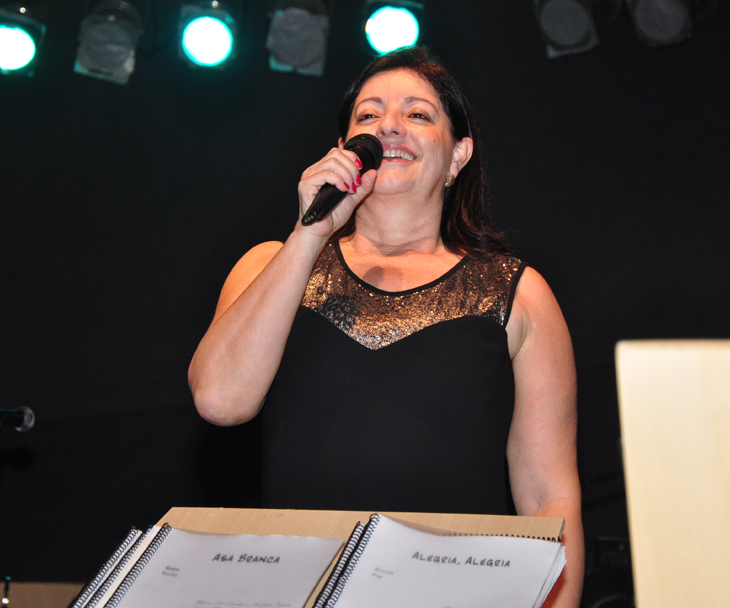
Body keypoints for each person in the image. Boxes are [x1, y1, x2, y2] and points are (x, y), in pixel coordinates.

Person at [189, 47, 583, 608]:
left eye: (418, 114)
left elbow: (549, 497)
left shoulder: (518, 293)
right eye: (369, 115)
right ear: (344, 149)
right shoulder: (270, 265)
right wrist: (309, 234)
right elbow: (220, 401)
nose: (389, 126)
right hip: (302, 588)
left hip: (456, 594)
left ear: (458, 155)